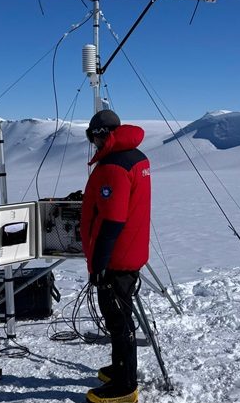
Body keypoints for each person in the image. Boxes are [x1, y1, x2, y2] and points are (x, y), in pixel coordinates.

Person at [80, 109, 152, 403]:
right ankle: (119, 367)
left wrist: (98, 263)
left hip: (116, 257)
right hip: (131, 250)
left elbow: (112, 220)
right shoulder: (137, 157)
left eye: (93, 136)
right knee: (119, 315)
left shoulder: (114, 166)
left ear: (101, 135)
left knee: (118, 318)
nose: (93, 142)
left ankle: (125, 386)